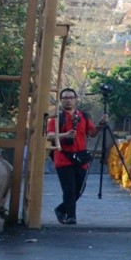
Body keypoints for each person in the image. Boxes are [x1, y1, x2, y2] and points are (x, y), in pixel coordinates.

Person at [45, 88, 105, 225]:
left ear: (76, 99)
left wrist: (101, 125)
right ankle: (71, 217)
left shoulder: (83, 116)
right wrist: (65, 135)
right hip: (63, 158)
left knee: (79, 189)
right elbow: (49, 136)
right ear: (61, 100)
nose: (68, 100)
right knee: (69, 189)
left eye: (71, 97)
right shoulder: (56, 118)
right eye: (65, 98)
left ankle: (61, 209)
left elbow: (92, 133)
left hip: (80, 158)